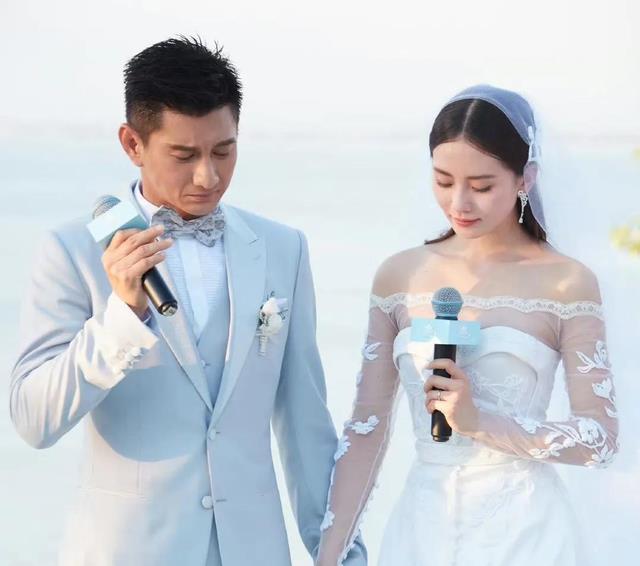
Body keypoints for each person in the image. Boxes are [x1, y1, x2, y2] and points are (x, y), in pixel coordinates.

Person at [9, 36, 366, 566]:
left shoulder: (282, 248)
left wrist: (339, 554)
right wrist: (122, 316)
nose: (209, 176)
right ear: (133, 144)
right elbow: (34, 419)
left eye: (224, 151)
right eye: (184, 155)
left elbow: (305, 426)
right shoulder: (71, 251)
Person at [315, 85, 618, 566]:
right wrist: (328, 555)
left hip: (527, 535)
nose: (459, 203)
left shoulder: (567, 282)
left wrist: (480, 423)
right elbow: (366, 430)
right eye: (443, 181)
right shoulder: (399, 275)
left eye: (481, 186)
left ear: (525, 178)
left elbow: (599, 439)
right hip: (422, 530)